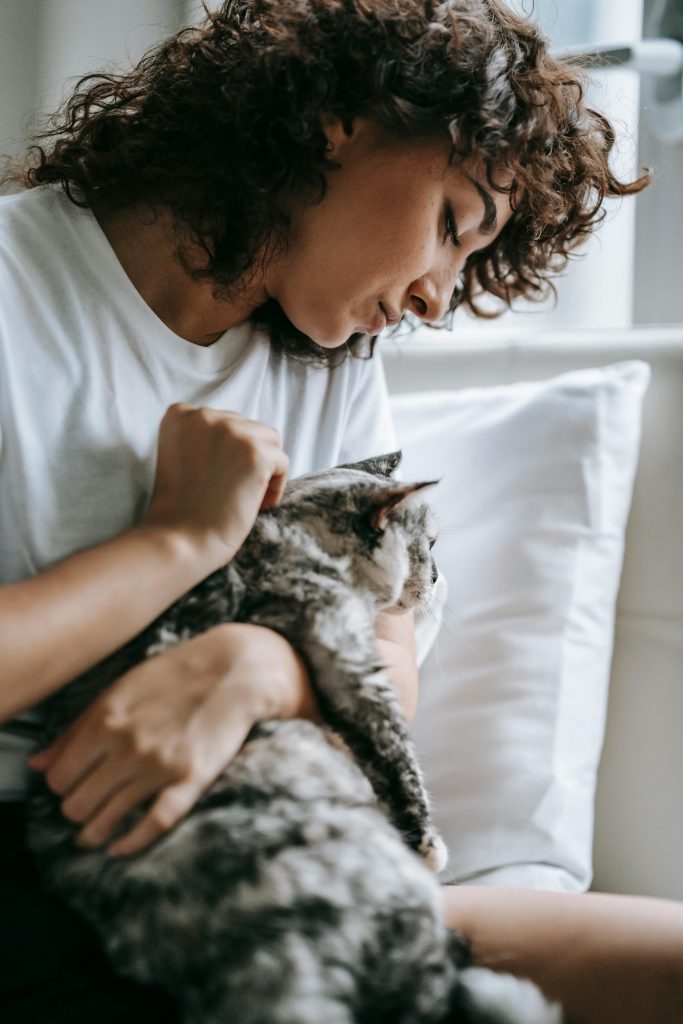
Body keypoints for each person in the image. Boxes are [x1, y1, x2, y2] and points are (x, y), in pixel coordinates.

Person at [0, 1, 680, 1022]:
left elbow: (385, 666)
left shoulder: (326, 358)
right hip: (55, 863)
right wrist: (178, 540)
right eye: (449, 224)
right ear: (334, 124)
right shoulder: (18, 289)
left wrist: (262, 667)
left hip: (274, 853)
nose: (435, 300)